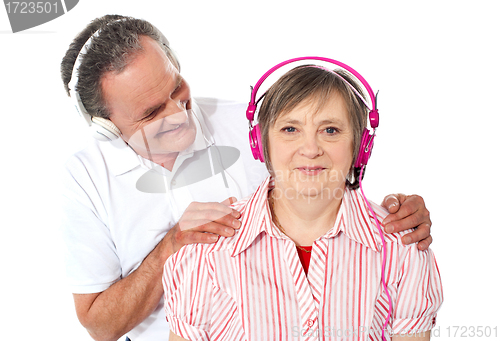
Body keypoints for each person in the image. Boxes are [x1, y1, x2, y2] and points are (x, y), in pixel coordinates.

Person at [60, 15, 434, 341]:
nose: (178, 112)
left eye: (177, 88)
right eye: (152, 112)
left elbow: (333, 178)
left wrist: (399, 214)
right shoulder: (85, 177)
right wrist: (173, 245)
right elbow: (100, 326)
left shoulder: (256, 123)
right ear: (107, 128)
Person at [163, 64, 443, 341]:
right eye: (290, 129)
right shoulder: (205, 251)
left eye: (330, 130)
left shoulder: (403, 250)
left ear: (360, 146)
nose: (310, 149)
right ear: (260, 144)